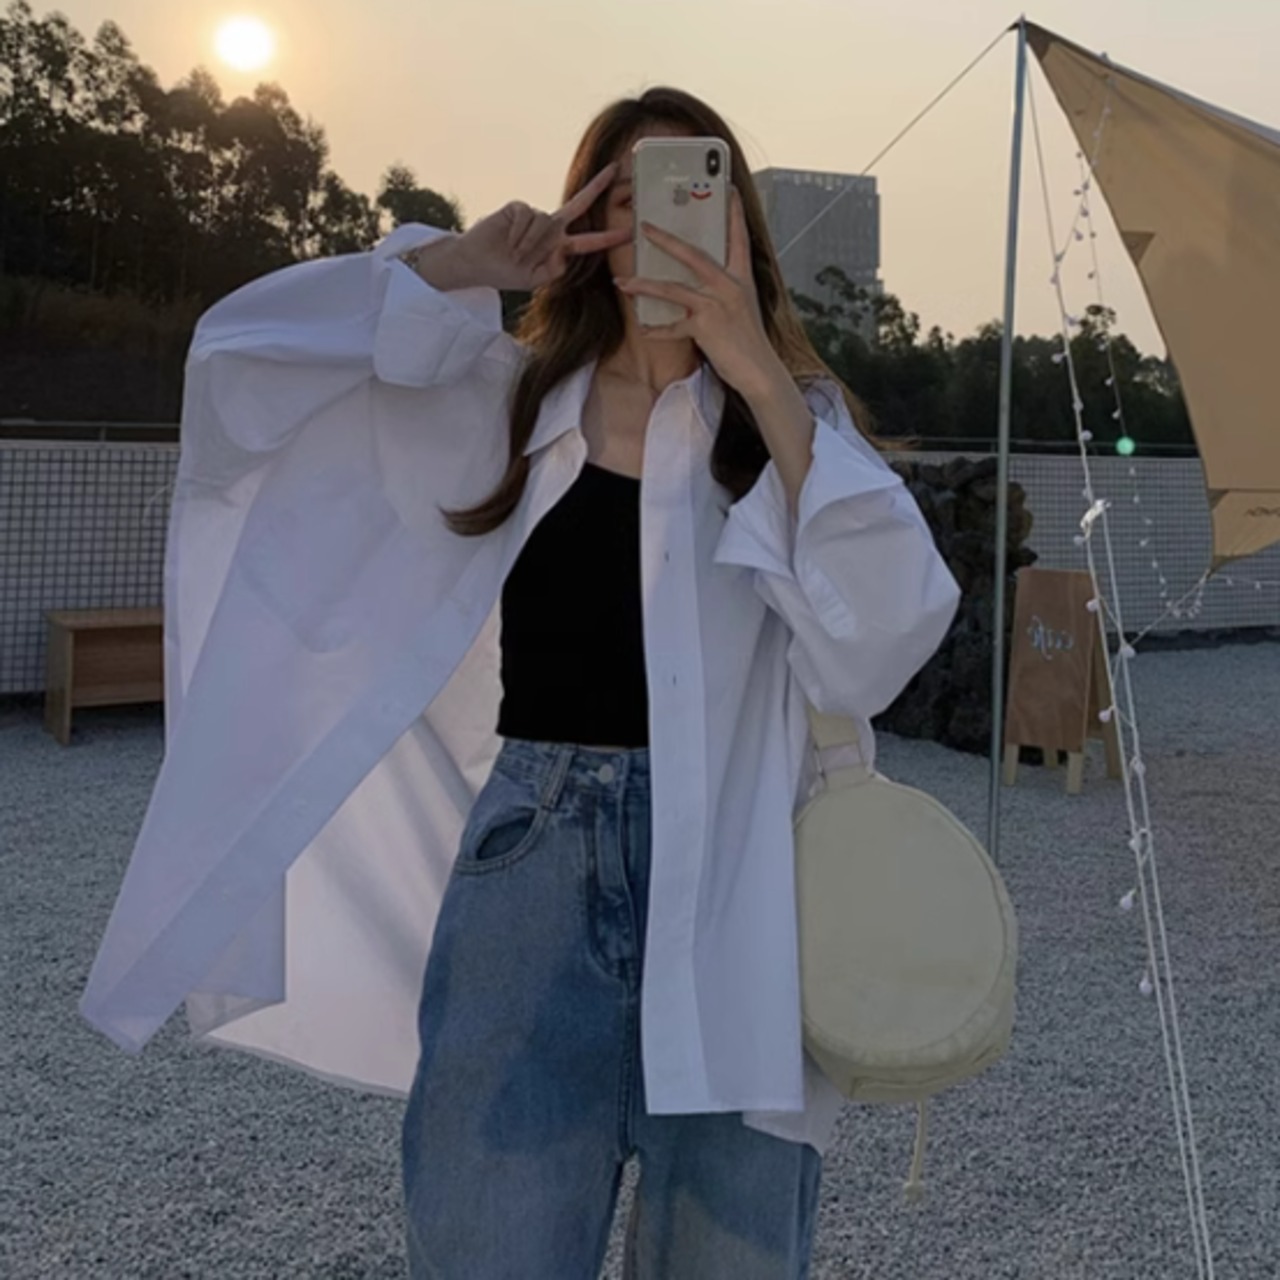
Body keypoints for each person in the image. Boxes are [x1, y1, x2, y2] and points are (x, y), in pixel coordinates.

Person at [80, 87, 960, 1279]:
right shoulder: (504, 398)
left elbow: (885, 644)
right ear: (584, 223)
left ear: (740, 229)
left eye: (692, 196)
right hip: (530, 878)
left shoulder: (787, 431)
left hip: (742, 891)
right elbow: (243, 364)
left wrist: (757, 372)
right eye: (628, 197)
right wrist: (458, 264)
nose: (659, 225)